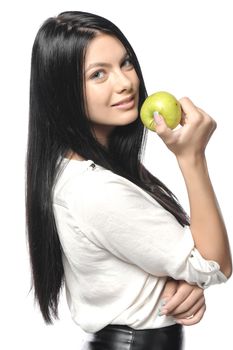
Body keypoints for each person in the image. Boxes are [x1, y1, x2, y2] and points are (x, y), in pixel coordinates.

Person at [26, 11, 232, 350]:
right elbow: (214, 264)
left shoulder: (82, 171)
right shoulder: (95, 189)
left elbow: (187, 263)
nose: (124, 83)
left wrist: (186, 279)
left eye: (126, 63)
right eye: (98, 74)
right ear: (62, 92)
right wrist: (192, 158)